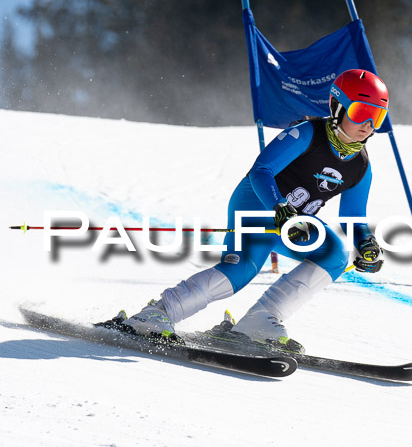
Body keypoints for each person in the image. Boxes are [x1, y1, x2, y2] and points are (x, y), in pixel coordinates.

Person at [121, 69, 389, 353]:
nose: (369, 124)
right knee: (240, 272)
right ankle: (156, 314)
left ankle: (261, 321)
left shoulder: (360, 166)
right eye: (361, 113)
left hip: (294, 223)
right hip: (256, 206)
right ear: (337, 107)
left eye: (378, 116)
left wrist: (366, 244)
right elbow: (261, 171)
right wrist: (279, 207)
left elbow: (353, 218)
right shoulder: (307, 134)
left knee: (335, 255)